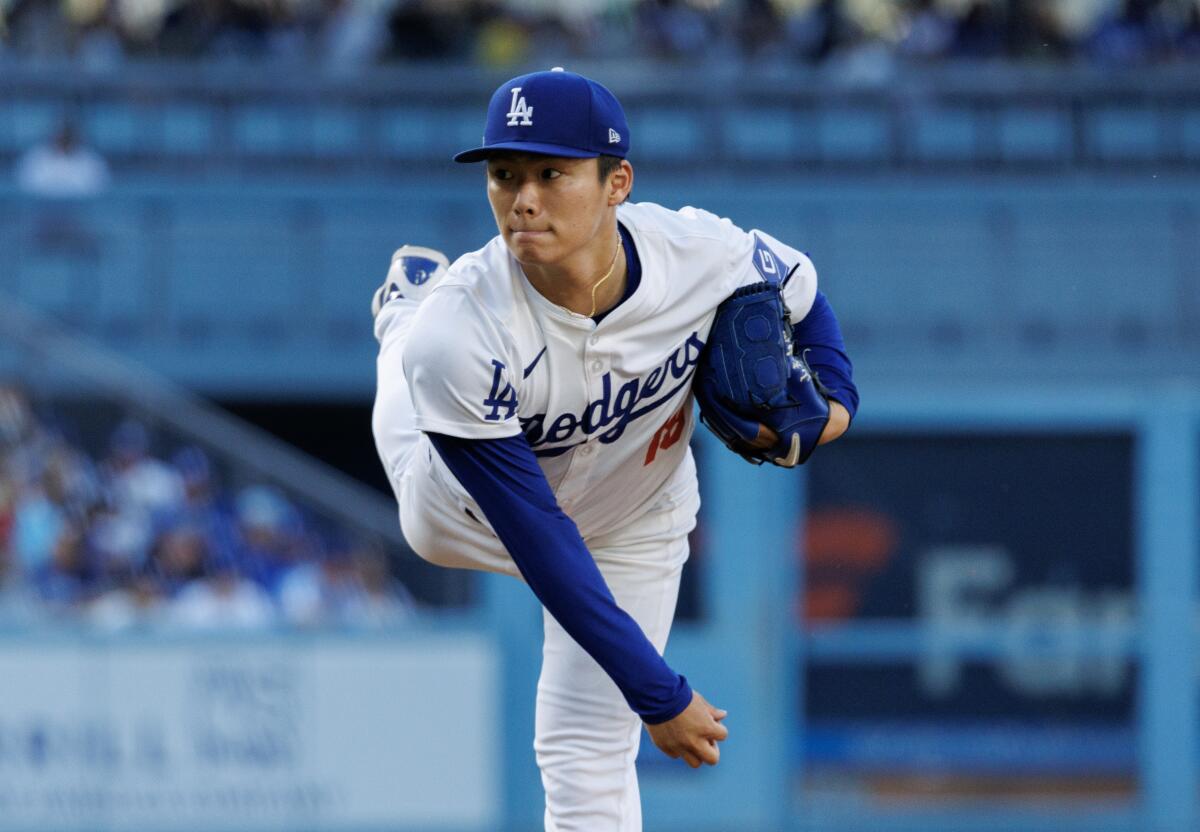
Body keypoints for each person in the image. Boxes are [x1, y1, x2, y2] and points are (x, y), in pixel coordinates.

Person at [371, 68, 858, 831]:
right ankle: (399, 311)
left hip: (638, 512)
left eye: (551, 173)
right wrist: (659, 693)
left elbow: (804, 288)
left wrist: (835, 408)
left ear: (616, 182)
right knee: (412, 372)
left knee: (587, 757)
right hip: (471, 515)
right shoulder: (462, 335)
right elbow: (540, 538)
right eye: (504, 175)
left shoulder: (698, 253)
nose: (523, 197)